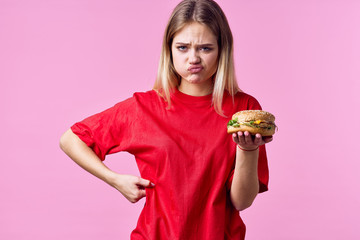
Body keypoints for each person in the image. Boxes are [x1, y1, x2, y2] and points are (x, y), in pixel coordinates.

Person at [59, 0, 273, 239]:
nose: (193, 58)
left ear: (222, 50)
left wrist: (247, 149)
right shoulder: (144, 108)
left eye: (205, 48)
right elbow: (71, 139)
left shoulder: (243, 110)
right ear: (169, 50)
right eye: (182, 47)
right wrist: (115, 180)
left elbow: (241, 202)